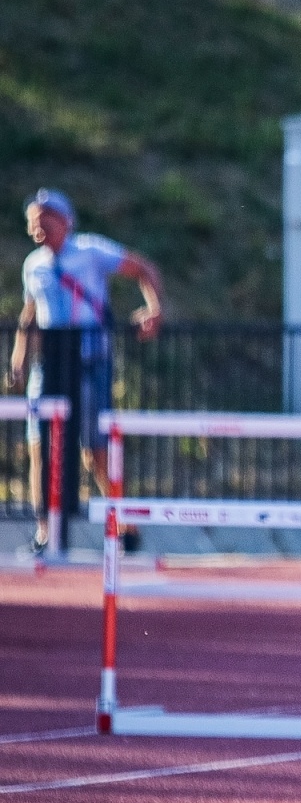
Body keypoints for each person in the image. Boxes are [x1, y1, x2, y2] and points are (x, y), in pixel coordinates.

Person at [9, 189, 163, 554]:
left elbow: (142, 268)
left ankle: (125, 522)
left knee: (95, 447)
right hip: (49, 365)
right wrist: (19, 358)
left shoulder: (91, 251)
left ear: (65, 222)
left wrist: (153, 309)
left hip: (90, 359)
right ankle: (45, 529)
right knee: (39, 445)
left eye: (45, 218)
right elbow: (29, 315)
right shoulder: (33, 265)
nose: (38, 227)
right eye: (32, 221)